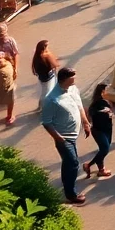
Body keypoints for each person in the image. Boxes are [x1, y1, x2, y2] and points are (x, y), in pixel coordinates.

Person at [41, 67, 90, 205]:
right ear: (65, 79)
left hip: (73, 135)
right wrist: (58, 138)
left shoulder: (73, 89)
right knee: (73, 163)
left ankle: (66, 184)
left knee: (68, 162)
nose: (75, 79)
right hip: (63, 137)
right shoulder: (52, 99)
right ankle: (71, 194)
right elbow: (46, 122)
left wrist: (85, 123)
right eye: (73, 77)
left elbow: (79, 106)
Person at [83, 83, 113, 179]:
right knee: (105, 149)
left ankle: (101, 169)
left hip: (107, 128)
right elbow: (92, 114)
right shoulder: (99, 103)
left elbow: (109, 113)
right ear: (102, 92)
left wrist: (110, 114)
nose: (109, 91)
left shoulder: (104, 102)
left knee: (103, 150)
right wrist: (103, 113)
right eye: (107, 90)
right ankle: (88, 165)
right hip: (99, 130)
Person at [32, 39, 60, 111]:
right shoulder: (46, 55)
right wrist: (52, 57)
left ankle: (39, 107)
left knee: (44, 93)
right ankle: (46, 109)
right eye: (47, 47)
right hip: (49, 77)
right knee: (48, 93)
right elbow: (56, 65)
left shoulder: (36, 56)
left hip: (42, 77)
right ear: (44, 48)